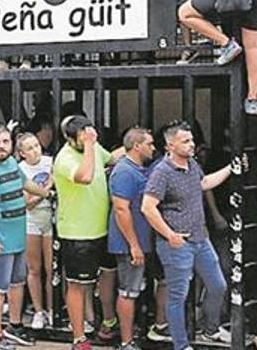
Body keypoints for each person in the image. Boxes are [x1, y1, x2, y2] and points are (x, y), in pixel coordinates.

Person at [141, 121, 237, 349]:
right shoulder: (162, 171)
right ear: (170, 145)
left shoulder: (191, 164)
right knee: (178, 296)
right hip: (177, 242)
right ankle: (182, 345)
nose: (192, 144)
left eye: (191, 139)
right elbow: (147, 207)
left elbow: (203, 183)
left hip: (200, 238)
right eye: (185, 141)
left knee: (218, 285)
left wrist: (230, 169)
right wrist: (170, 235)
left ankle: (210, 329)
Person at [0, 124, 51, 349]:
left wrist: (48, 192)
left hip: (17, 236)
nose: (1, 146)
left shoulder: (12, 164)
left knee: (17, 283)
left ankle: (14, 326)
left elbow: (24, 183)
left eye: (5, 141)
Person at [53, 116, 123, 350]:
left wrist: (134, 144)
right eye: (82, 137)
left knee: (107, 275)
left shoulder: (93, 148)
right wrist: (91, 145)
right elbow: (85, 176)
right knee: (77, 285)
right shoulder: (64, 158)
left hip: (102, 227)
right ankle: (79, 337)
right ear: (70, 138)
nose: (88, 140)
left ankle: (108, 322)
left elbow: (111, 158)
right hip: (77, 233)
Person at [108, 127, 156, 350]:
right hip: (128, 244)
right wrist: (134, 245)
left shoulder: (135, 168)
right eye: (149, 143)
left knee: (133, 290)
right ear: (137, 146)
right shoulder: (125, 171)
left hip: (137, 241)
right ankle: (126, 342)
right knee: (128, 291)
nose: (153, 148)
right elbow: (121, 210)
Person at [16, 132, 55, 330]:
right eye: (30, 148)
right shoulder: (20, 169)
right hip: (31, 220)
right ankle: (38, 311)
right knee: (34, 268)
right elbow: (27, 204)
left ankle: (51, 309)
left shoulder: (50, 163)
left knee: (51, 269)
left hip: (51, 218)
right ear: (22, 153)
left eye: (37, 146)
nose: (35, 151)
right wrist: (46, 191)